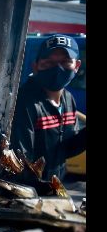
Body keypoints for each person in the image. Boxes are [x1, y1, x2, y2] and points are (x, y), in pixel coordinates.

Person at [11, 34, 86, 181]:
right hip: (29, 191)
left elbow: (65, 150)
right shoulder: (24, 102)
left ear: (77, 66)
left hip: (55, 186)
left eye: (65, 62)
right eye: (49, 63)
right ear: (36, 66)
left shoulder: (68, 100)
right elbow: (21, 162)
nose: (57, 69)